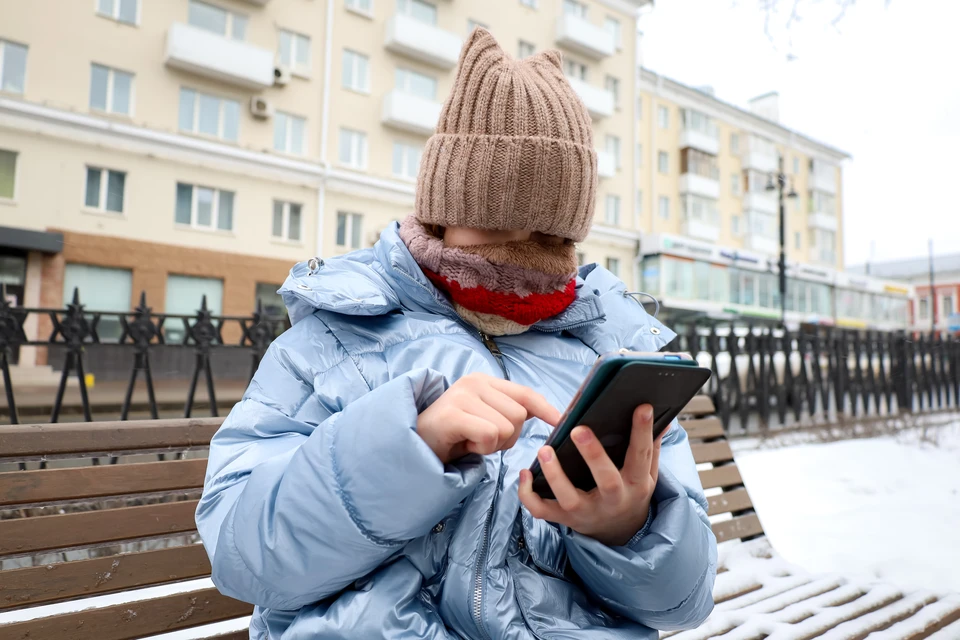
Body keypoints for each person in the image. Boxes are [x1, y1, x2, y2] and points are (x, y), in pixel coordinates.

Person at [196, 28, 717, 639]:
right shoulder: (334, 343)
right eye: (496, 225)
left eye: (550, 236)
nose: (523, 257)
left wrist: (625, 528)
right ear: (443, 209)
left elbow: (685, 604)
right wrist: (407, 448)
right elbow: (242, 554)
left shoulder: (608, 351)